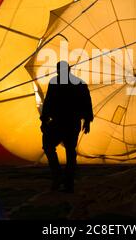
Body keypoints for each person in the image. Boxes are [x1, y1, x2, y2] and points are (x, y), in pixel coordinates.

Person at [40, 61, 93, 193]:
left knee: (50, 146)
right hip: (71, 123)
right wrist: (87, 121)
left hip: (61, 122)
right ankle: (67, 181)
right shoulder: (79, 83)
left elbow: (48, 103)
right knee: (69, 150)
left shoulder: (55, 83)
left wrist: (44, 120)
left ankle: (59, 176)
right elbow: (87, 103)